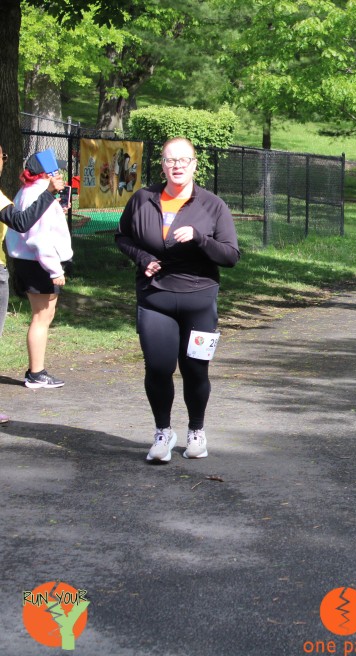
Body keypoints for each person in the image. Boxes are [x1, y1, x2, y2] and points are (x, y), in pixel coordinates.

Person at [115, 137, 240, 463]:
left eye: (184, 160)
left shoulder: (213, 205)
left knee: (195, 370)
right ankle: (163, 433)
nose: (177, 166)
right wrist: (142, 257)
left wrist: (200, 239)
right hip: (155, 298)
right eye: (171, 160)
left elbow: (230, 256)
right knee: (158, 368)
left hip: (200, 302)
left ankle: (196, 431)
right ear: (163, 165)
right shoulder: (143, 199)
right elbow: (122, 237)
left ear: (195, 164)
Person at [0, 146, 65, 416]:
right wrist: (54, 269)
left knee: (43, 316)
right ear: (47, 174)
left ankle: (36, 372)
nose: (4, 161)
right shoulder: (36, 193)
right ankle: (36, 373)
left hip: (18, 262)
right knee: (42, 316)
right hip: (35, 263)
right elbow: (29, 229)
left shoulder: (21, 192)